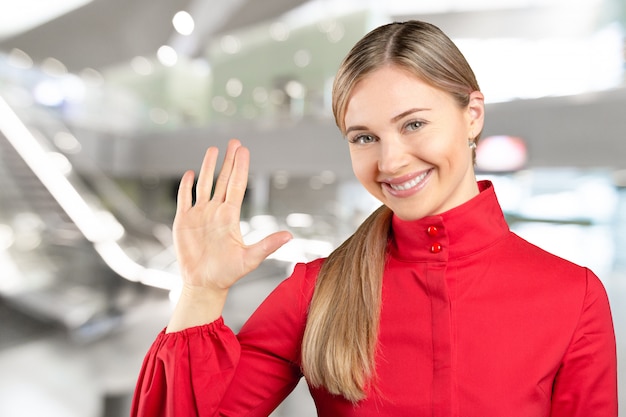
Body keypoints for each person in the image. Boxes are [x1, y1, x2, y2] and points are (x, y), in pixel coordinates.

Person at [130, 20, 617, 416]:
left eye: (414, 124)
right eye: (364, 137)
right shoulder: (316, 293)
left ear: (472, 114)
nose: (391, 162)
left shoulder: (574, 297)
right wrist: (201, 293)